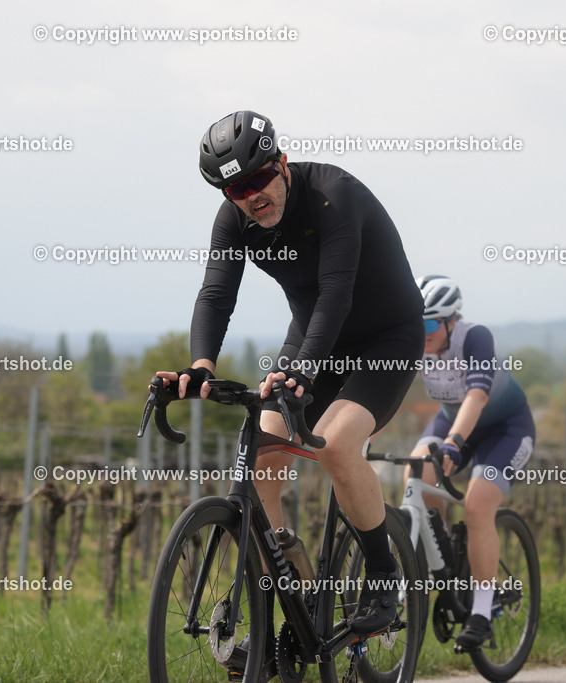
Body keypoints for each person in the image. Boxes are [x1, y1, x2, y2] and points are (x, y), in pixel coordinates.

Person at [154, 110, 425, 675]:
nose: (251, 197)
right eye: (236, 190)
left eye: (258, 179)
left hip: (385, 337)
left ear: (281, 163)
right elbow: (216, 294)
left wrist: (302, 371)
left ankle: (383, 577)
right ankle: (296, 599)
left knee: (336, 445)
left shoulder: (334, 196)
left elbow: (335, 292)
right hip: (311, 338)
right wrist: (200, 367)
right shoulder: (234, 220)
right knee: (262, 455)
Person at [407, 275, 535, 651]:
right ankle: (443, 563)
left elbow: (477, 397)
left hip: (504, 428)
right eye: (416, 324)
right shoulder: (411, 342)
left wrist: (453, 443)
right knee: (415, 471)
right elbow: (386, 393)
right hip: (451, 421)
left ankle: (481, 613)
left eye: (429, 325)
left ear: (451, 321)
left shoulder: (474, 337)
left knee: (478, 505)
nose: (422, 333)